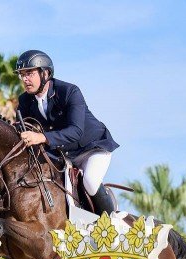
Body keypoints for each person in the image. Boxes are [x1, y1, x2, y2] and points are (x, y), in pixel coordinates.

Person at [15, 49, 119, 212]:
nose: (25, 79)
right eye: (22, 75)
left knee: (90, 183)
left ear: (45, 73)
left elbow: (76, 131)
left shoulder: (69, 92)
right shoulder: (25, 101)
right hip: (63, 153)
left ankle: (112, 219)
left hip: (92, 147)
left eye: (29, 73)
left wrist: (42, 137)